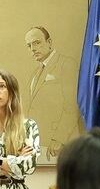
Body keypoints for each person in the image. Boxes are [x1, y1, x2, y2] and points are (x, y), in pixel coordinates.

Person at [23, 26, 79, 158]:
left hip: (60, 144)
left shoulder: (66, 64)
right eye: (29, 45)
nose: (33, 49)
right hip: (38, 144)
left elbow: (72, 105)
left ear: (49, 42)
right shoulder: (35, 73)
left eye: (37, 43)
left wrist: (59, 138)